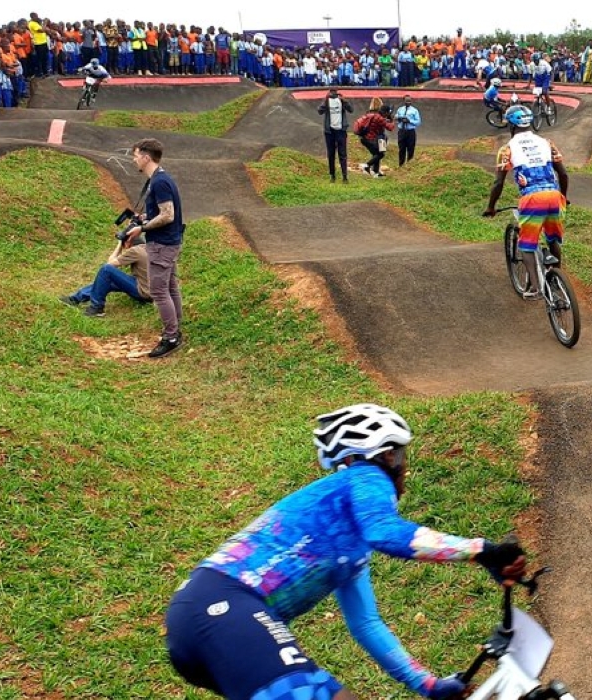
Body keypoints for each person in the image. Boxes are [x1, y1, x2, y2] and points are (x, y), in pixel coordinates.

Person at [165, 403, 528, 700]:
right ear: (384, 456)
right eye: (399, 454)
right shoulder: (366, 476)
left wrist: (428, 684)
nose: (404, 467)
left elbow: (366, 624)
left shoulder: (347, 540)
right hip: (225, 606)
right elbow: (385, 532)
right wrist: (483, 550)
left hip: (204, 622)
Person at [482, 104, 569, 299]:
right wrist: (564, 196)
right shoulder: (547, 143)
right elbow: (563, 174)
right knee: (553, 239)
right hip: (554, 196)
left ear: (511, 125)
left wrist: (491, 207)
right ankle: (556, 280)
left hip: (532, 199)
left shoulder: (507, 149)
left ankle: (536, 289)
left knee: (526, 246)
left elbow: (498, 183)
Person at [122, 138, 185, 358]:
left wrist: (142, 228)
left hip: (162, 244)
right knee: (170, 286)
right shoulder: (161, 179)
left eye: (136, 155)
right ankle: (175, 326)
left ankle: (171, 337)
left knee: (158, 290)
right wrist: (144, 218)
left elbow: (168, 215)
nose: (134, 160)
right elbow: (162, 211)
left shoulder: (159, 182)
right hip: (169, 241)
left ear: (146, 157)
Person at [59, 233, 151, 316]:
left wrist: (119, 244)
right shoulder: (147, 249)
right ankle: (75, 299)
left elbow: (110, 264)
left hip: (145, 292)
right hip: (152, 291)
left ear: (127, 243)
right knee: (107, 281)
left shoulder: (135, 251)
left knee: (106, 270)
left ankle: (97, 307)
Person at [317, 87, 353, 183]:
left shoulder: (341, 100)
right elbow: (319, 111)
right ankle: (332, 176)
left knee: (343, 154)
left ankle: (345, 177)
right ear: (329, 92)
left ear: (337, 92)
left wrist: (344, 100)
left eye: (334, 92)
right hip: (330, 131)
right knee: (331, 154)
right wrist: (325, 100)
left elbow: (351, 110)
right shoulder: (327, 101)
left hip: (341, 130)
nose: (333, 94)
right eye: (331, 92)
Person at [356, 97, 395, 177]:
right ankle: (366, 166)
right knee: (380, 154)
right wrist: (392, 120)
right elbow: (390, 128)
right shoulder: (379, 117)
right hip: (373, 138)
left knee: (377, 154)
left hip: (368, 138)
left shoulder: (371, 114)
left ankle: (375, 172)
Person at [394, 94, 421, 167]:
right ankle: (401, 165)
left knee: (411, 149)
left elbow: (418, 122)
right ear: (404, 101)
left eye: (409, 101)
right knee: (401, 149)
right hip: (401, 131)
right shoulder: (400, 109)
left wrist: (409, 121)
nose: (408, 102)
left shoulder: (414, 110)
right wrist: (399, 119)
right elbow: (395, 118)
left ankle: (409, 165)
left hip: (410, 132)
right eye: (407, 101)